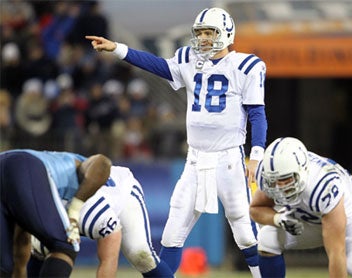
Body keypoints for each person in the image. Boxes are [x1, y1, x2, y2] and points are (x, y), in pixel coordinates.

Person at [86, 7, 267, 277]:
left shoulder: (246, 66)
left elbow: (257, 114)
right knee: (172, 233)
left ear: (226, 34)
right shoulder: (189, 59)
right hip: (195, 159)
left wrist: (256, 154)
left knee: (245, 232)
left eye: (210, 32)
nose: (204, 38)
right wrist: (118, 49)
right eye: (201, 33)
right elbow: (157, 65)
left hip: (228, 158)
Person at [250, 137, 352, 278]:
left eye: (286, 179)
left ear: (302, 171)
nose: (279, 186)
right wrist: (278, 218)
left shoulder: (323, 186)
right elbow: (255, 209)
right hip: (315, 218)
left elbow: (336, 252)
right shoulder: (270, 174)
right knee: (267, 238)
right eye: (274, 181)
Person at [25, 165, 174, 278]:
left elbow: (108, 257)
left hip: (121, 191)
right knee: (39, 249)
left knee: (140, 254)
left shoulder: (91, 214)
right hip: (79, 197)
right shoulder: (36, 209)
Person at [0, 149, 111, 277]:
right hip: (24, 165)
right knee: (65, 245)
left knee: (4, 266)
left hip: (7, 162)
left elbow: (21, 241)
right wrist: (74, 213)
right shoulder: (76, 162)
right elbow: (103, 163)